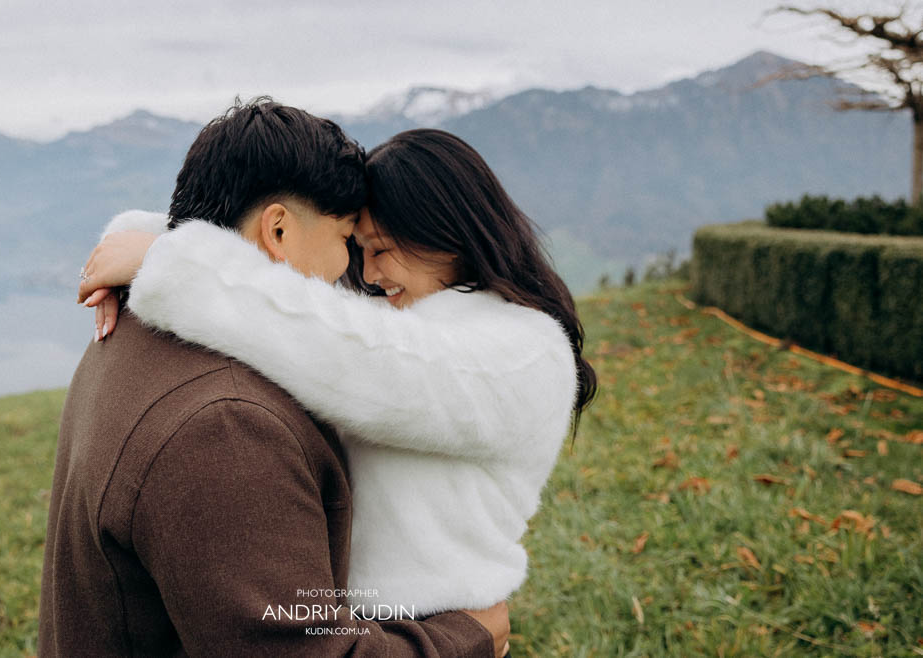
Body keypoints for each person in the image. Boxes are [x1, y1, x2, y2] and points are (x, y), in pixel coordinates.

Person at [80, 128, 598, 653]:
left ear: (448, 234)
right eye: (358, 249)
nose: (368, 274)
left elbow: (353, 352)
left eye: (382, 250)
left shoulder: (524, 354)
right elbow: (282, 277)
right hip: (361, 628)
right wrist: (146, 243)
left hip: (439, 633)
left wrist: (164, 260)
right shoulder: (405, 310)